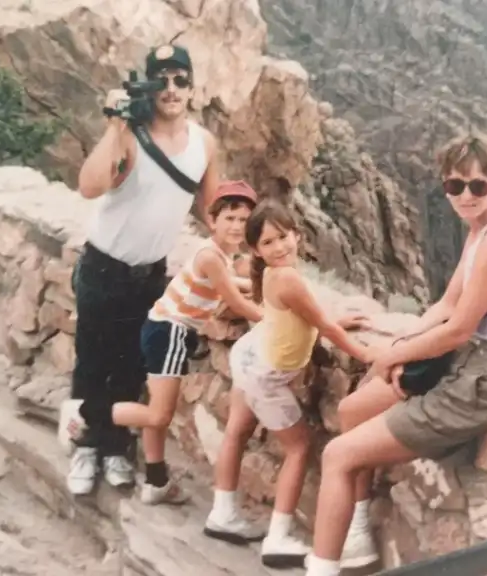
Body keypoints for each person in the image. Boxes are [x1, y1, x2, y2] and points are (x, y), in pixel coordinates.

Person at [305, 132, 487, 575]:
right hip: (461, 363)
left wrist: (390, 359)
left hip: (480, 383)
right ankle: (355, 537)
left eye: (477, 186)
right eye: (454, 186)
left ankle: (322, 567)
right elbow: (447, 305)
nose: (465, 196)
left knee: (337, 456)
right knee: (353, 410)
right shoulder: (481, 229)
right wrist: (401, 346)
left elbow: (459, 329)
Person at [64, 42, 223, 496]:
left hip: (150, 275)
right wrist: (115, 124)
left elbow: (213, 209)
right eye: (162, 80)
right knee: (92, 364)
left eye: (180, 79)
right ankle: (85, 447)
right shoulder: (130, 136)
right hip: (104, 269)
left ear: (192, 87)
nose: (171, 89)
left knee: (132, 367)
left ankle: (116, 449)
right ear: (149, 87)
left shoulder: (203, 144)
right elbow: (89, 185)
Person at [62, 180, 264, 504]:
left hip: (164, 330)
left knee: (157, 409)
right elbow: (236, 304)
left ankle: (156, 480)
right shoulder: (212, 257)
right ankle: (85, 412)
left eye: (244, 220)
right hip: (170, 333)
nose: (237, 226)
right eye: (230, 218)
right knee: (158, 415)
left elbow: (229, 283)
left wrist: (257, 285)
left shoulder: (216, 255)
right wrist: (274, 317)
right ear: (212, 220)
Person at [204, 200, 375, 569]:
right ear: (255, 249)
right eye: (268, 243)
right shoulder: (288, 277)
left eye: (283, 237)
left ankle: (221, 511)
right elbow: (323, 327)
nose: (279, 247)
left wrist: (331, 321)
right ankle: (277, 538)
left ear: (297, 234)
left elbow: (304, 317)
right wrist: (366, 355)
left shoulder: (268, 273)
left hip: (250, 355)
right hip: (263, 375)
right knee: (299, 447)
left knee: (236, 431)